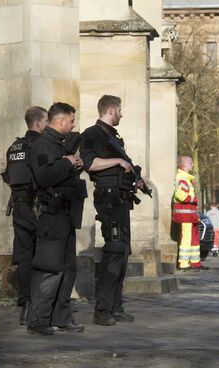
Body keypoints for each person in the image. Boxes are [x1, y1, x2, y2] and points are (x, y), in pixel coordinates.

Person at [80, 95, 140, 326]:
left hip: (121, 199)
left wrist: (137, 178)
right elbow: (89, 163)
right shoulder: (93, 133)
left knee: (123, 252)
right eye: (120, 110)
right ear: (112, 110)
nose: (122, 114)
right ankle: (103, 310)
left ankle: (115, 306)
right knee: (114, 251)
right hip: (108, 198)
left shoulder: (112, 136)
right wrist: (117, 162)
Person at [27, 102, 86, 335]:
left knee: (68, 268)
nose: (73, 125)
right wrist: (67, 162)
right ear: (60, 121)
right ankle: (38, 321)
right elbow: (44, 176)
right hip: (51, 215)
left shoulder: (60, 146)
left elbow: (61, 174)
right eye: (71, 121)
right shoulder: (42, 145)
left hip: (66, 214)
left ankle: (61, 317)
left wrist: (75, 166)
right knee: (48, 268)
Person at [1, 106, 49, 325]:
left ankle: (24, 302)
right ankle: (34, 303)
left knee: (23, 255)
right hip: (35, 205)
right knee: (38, 255)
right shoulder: (38, 145)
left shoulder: (14, 146)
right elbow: (42, 175)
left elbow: (8, 175)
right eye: (46, 121)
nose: (48, 125)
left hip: (18, 205)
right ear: (38, 123)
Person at [172, 155, 208, 271]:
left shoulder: (186, 178)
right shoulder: (182, 178)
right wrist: (194, 199)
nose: (192, 164)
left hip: (190, 215)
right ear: (184, 165)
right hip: (185, 216)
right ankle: (184, 263)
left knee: (194, 238)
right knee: (186, 238)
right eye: (190, 163)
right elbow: (181, 196)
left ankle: (195, 262)